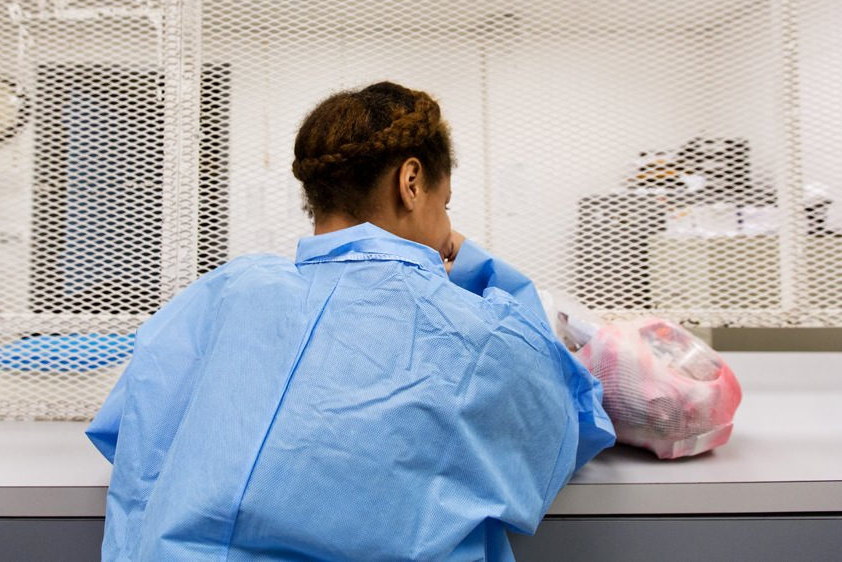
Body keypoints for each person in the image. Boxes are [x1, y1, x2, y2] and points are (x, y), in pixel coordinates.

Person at [86, 81, 615, 561]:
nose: (446, 222)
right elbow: (569, 426)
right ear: (411, 181)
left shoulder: (225, 291)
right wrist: (482, 272)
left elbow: (126, 432)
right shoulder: (477, 332)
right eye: (445, 203)